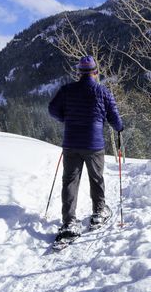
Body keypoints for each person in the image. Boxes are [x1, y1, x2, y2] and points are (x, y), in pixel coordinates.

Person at [47, 55, 124, 240]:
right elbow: (113, 116)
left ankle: (69, 221)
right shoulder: (103, 91)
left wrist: (66, 119)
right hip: (94, 144)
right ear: (96, 72)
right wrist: (120, 128)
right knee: (96, 178)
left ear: (79, 73)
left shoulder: (67, 90)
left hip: (71, 142)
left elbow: (52, 109)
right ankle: (98, 213)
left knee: (70, 181)